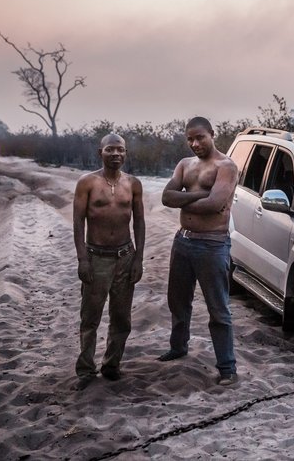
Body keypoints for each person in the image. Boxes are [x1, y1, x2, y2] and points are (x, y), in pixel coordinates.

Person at [158, 117, 239, 386]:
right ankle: (179, 347)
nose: (195, 143)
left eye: (200, 137)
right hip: (183, 241)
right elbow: (166, 197)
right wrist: (197, 197)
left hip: (212, 244)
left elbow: (214, 204)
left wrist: (184, 198)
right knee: (178, 301)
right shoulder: (185, 164)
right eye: (190, 139)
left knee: (218, 309)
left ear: (212, 134)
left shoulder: (225, 166)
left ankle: (227, 368)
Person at [72, 133, 145, 390]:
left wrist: (139, 258)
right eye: (110, 150)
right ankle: (85, 369)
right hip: (96, 257)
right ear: (99, 152)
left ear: (126, 153)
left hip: (125, 257)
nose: (116, 154)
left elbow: (139, 222)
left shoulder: (133, 184)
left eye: (121, 150)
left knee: (121, 317)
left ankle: (112, 365)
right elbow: (78, 222)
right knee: (90, 317)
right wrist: (82, 259)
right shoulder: (87, 183)